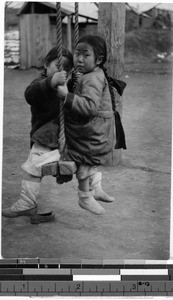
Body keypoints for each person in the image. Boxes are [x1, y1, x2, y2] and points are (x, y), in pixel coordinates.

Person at [2, 44, 114, 220]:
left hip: (67, 137)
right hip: (44, 138)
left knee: (86, 157)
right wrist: (51, 82)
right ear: (46, 64)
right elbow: (30, 95)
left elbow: (81, 103)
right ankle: (27, 203)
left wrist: (72, 89)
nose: (63, 72)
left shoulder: (70, 85)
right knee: (33, 167)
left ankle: (95, 190)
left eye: (67, 69)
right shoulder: (39, 83)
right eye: (58, 66)